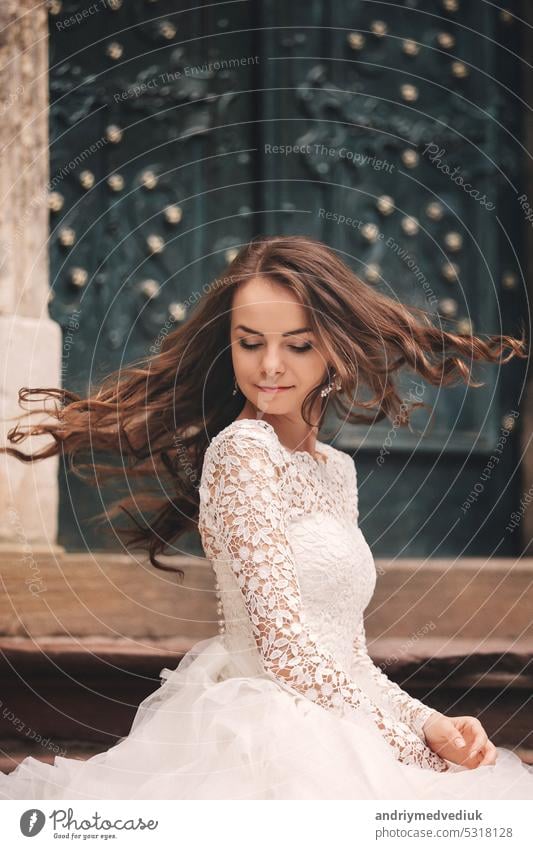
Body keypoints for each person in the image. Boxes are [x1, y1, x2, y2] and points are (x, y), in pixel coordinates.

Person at [0, 235, 531, 799]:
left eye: (298, 345)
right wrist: (411, 750)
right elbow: (282, 651)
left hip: (336, 730)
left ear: (333, 348)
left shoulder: (336, 470)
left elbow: (348, 657)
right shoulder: (243, 451)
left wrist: (430, 724)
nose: (270, 366)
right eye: (249, 343)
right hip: (267, 740)